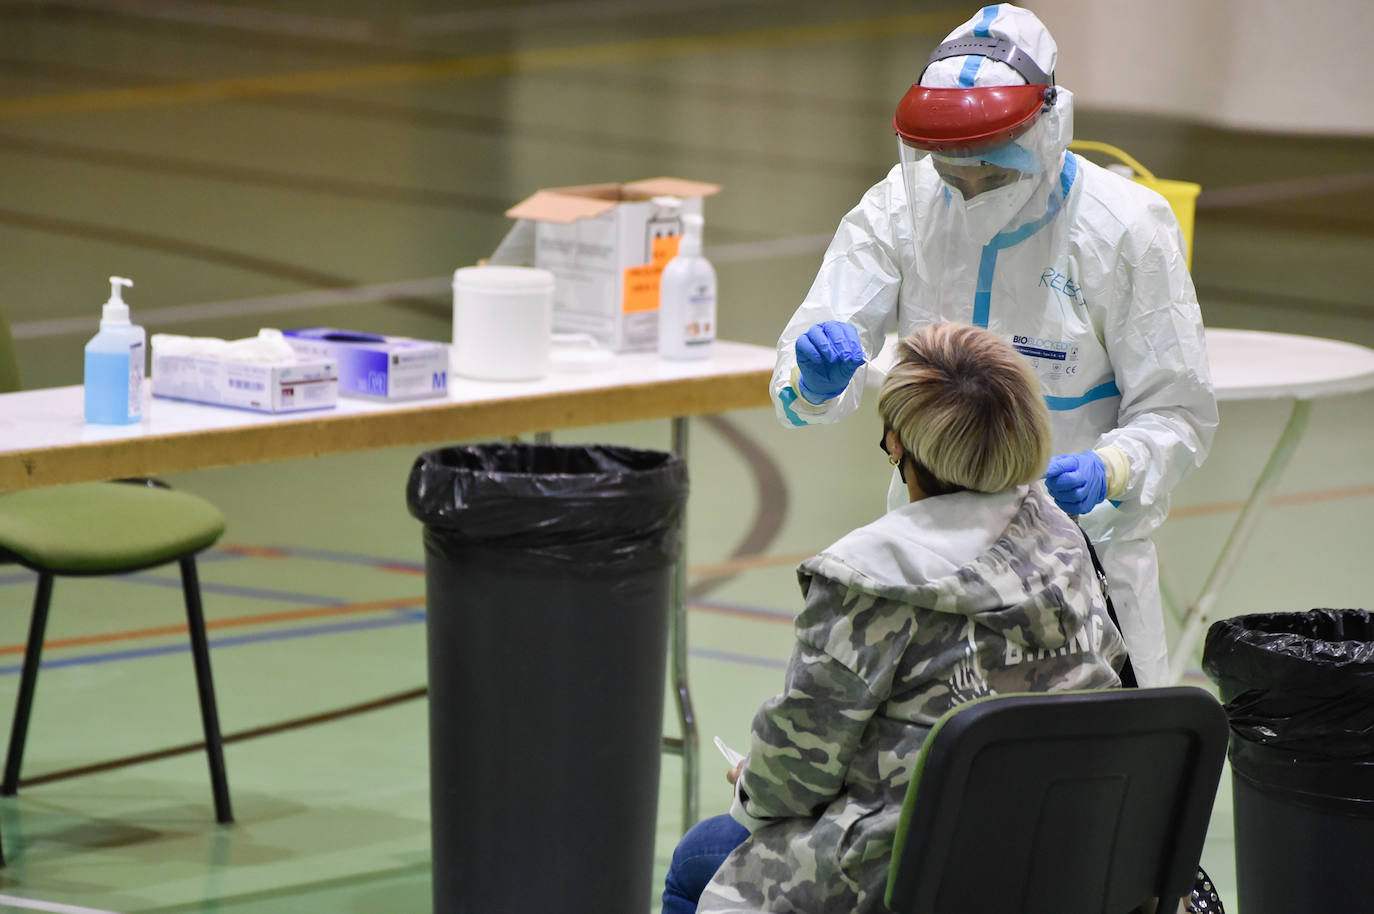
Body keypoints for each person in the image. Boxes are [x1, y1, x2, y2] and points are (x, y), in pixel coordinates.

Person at [770, 3, 1216, 687]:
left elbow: (1178, 413)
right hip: (926, 564)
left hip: (1081, 575)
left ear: (1049, 127)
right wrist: (816, 378)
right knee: (933, 773)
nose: (972, 192)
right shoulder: (903, 206)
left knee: (1094, 774)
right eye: (954, 174)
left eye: (994, 173)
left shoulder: (1123, 230)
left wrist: (1114, 470)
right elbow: (810, 362)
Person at [663, 323, 1127, 914]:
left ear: (899, 446)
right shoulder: (1065, 538)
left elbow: (792, 778)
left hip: (914, 874)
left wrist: (754, 784)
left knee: (701, 857)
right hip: (1066, 859)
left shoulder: (869, 576)